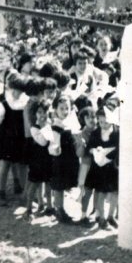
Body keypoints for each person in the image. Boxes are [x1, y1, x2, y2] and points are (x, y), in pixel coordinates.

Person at [0, 70, 30, 206]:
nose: (17, 93)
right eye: (15, 90)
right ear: (10, 88)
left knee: (22, 164)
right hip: (6, 137)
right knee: (4, 164)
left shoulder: (25, 103)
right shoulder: (5, 102)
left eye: (20, 91)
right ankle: (1, 191)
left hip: (20, 137)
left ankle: (24, 191)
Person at [85, 106, 120, 228]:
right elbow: (89, 148)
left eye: (106, 122)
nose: (103, 125)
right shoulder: (95, 133)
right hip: (99, 167)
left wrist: (109, 155)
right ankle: (101, 217)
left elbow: (119, 148)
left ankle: (111, 215)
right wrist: (95, 151)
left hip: (112, 166)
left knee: (115, 191)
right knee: (100, 191)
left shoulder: (117, 132)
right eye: (100, 122)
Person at [48, 95, 80, 224]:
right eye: (61, 108)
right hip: (59, 159)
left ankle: (61, 208)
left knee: (65, 182)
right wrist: (55, 149)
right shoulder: (56, 125)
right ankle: (59, 209)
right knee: (59, 185)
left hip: (69, 157)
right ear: (55, 109)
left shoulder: (71, 122)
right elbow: (53, 143)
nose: (65, 111)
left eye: (67, 108)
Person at [25, 98, 57, 220]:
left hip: (48, 159)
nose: (43, 115)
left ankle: (49, 205)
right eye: (39, 112)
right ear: (34, 114)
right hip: (37, 161)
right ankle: (29, 208)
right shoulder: (34, 128)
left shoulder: (49, 124)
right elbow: (43, 142)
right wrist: (46, 127)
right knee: (35, 184)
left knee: (48, 183)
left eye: (45, 112)